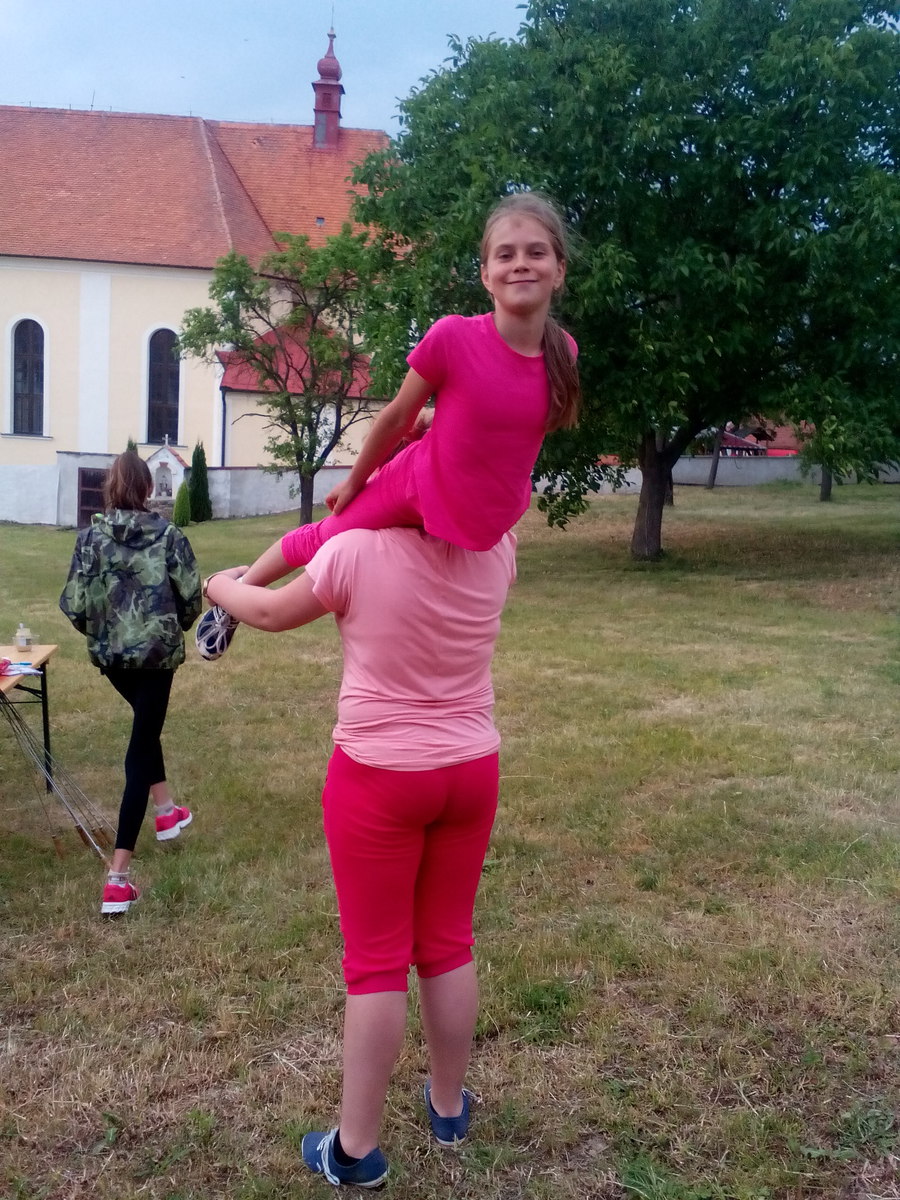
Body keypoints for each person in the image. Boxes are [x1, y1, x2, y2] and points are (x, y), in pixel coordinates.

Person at [204, 521, 517, 1187]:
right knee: (448, 942)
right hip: (470, 769)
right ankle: (449, 1109)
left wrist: (217, 586)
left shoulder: (353, 553)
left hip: (379, 776)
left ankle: (354, 1151)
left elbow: (270, 611)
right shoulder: (497, 545)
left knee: (377, 961)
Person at [195, 191, 578, 660]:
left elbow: (513, 417)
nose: (520, 264)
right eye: (505, 254)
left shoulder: (564, 352)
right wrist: (355, 482)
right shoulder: (453, 337)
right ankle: (233, 595)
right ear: (485, 276)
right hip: (416, 486)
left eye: (536, 252)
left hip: (482, 515)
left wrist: (441, 419)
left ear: (559, 269)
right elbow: (395, 416)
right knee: (327, 535)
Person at [60, 451, 202, 915]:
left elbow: (73, 604)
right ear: (147, 487)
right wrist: (168, 627)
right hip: (157, 658)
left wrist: (105, 632)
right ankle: (118, 879)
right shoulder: (170, 536)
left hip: (113, 660)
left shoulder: (89, 539)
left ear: (111, 487)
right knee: (141, 747)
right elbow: (191, 599)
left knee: (145, 730)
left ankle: (166, 812)